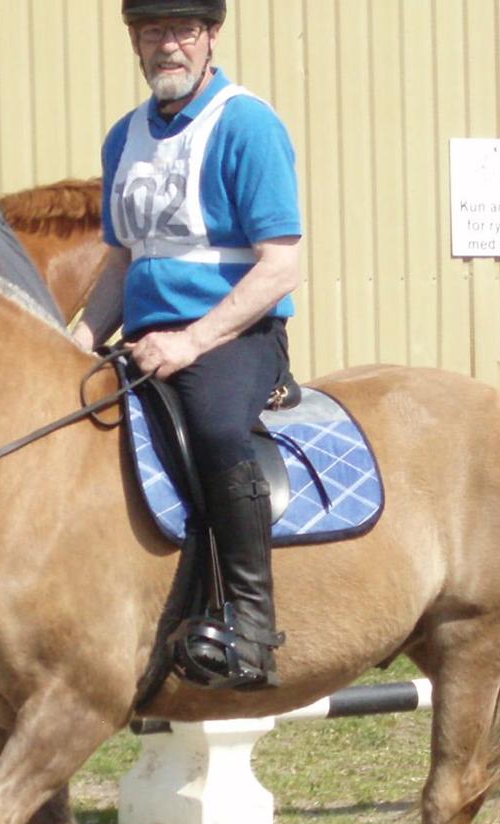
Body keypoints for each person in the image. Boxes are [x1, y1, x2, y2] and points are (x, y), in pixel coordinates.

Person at [73, 0, 302, 689]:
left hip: (233, 336)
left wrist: (193, 341)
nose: (165, 46)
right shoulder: (123, 139)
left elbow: (279, 264)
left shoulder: (248, 125)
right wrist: (77, 340)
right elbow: (121, 262)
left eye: (180, 31)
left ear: (210, 38)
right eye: (151, 32)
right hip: (144, 339)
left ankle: (252, 628)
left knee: (214, 429)